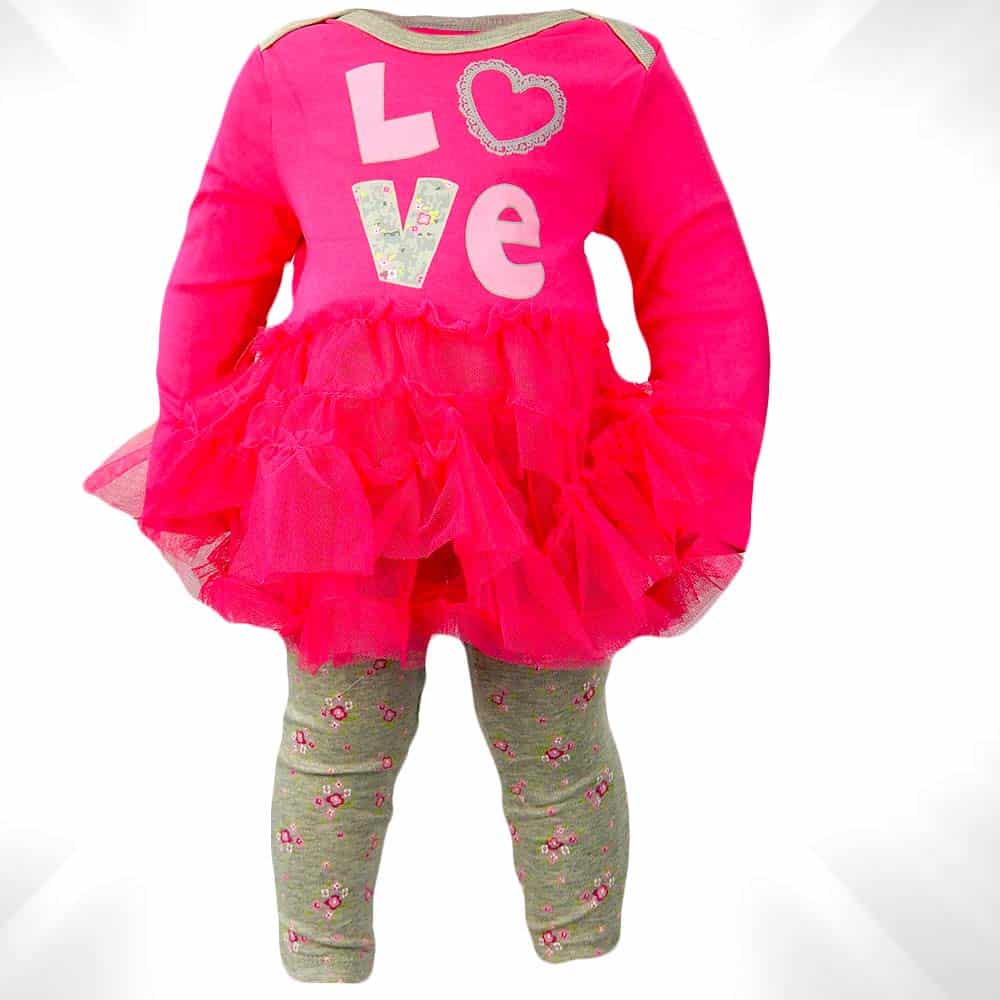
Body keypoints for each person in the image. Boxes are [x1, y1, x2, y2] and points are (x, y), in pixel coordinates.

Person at [83, 8, 770, 981]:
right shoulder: (293, 66)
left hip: (540, 484)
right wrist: (199, 440)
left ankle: (590, 965)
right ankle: (324, 964)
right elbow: (219, 262)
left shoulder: (614, 69)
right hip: (348, 484)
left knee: (549, 736)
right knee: (342, 732)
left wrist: (705, 454)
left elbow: (696, 271)